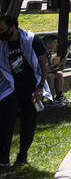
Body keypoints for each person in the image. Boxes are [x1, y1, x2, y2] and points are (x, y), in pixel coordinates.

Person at [1, 15, 51, 166]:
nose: (0, 33)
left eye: (2, 29)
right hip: (10, 89)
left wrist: (40, 86)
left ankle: (22, 156)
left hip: (31, 89)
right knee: (4, 122)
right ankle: (3, 158)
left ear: (13, 27)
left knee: (28, 123)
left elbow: (43, 64)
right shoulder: (2, 44)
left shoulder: (31, 40)